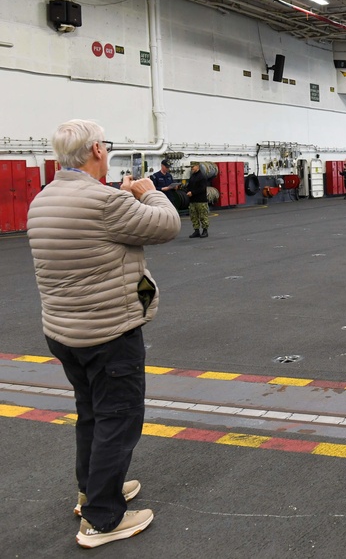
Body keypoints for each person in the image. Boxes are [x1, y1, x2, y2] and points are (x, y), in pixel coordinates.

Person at [26, 120, 180, 548]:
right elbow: (166, 224)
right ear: (96, 150)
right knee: (119, 418)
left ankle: (91, 492)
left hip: (63, 331)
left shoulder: (42, 200)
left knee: (91, 413)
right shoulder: (104, 201)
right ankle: (102, 519)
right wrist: (147, 190)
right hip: (108, 332)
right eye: (106, 146)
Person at [186, 161, 210, 238]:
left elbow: (202, 189)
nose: (192, 168)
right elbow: (189, 186)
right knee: (194, 216)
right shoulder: (193, 176)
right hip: (193, 200)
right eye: (191, 167)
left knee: (203, 216)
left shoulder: (202, 176)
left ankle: (205, 230)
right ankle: (196, 231)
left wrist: (192, 193)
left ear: (198, 166)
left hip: (201, 201)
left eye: (193, 166)